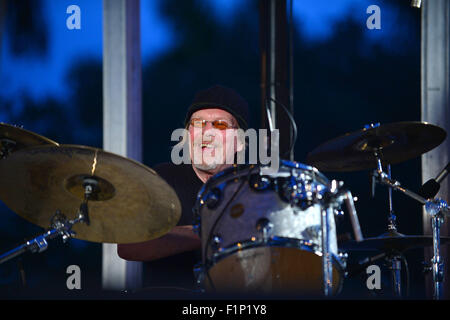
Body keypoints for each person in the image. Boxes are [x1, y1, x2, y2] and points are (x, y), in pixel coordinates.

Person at [117, 85, 250, 293]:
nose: (207, 132)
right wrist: (207, 232)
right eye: (198, 124)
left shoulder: (255, 187)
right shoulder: (163, 179)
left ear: (240, 143)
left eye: (220, 125)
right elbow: (128, 245)